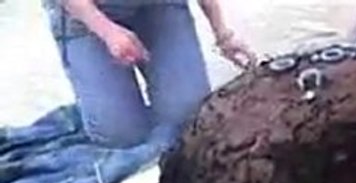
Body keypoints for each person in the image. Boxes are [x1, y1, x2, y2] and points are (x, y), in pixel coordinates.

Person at [43, 0, 255, 147]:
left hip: (157, 5)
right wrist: (108, 32)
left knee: (188, 117)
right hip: (83, 16)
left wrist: (223, 35)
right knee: (121, 136)